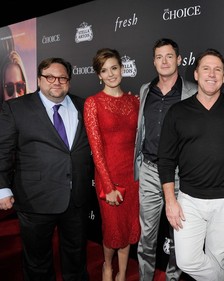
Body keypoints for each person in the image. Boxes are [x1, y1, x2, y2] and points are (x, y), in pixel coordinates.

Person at [0, 57, 93, 280]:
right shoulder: (16, 108)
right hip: (35, 199)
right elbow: (3, 150)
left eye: (62, 77)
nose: (56, 82)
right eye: (50, 77)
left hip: (76, 198)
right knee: (37, 263)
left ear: (69, 81)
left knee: (76, 258)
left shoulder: (85, 105)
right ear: (39, 80)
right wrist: (2, 188)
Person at [157, 48, 224, 281]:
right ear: (196, 74)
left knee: (217, 260)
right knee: (187, 260)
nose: (212, 74)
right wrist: (170, 201)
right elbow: (165, 160)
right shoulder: (178, 112)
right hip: (189, 201)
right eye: (206, 68)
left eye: (218, 70)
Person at [134, 38, 197, 281]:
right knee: (146, 236)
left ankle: (172, 278)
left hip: (181, 173)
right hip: (150, 170)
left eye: (169, 56)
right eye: (159, 57)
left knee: (179, 235)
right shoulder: (144, 90)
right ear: (153, 61)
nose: (164, 61)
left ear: (179, 59)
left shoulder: (192, 90)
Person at [84, 48, 140, 281]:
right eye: (104, 70)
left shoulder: (135, 100)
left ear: (122, 68)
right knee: (112, 230)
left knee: (128, 228)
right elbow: (96, 151)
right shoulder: (93, 103)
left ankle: (123, 272)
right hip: (109, 177)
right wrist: (108, 186)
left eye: (114, 68)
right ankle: (108, 266)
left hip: (133, 176)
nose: (110, 74)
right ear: (98, 75)